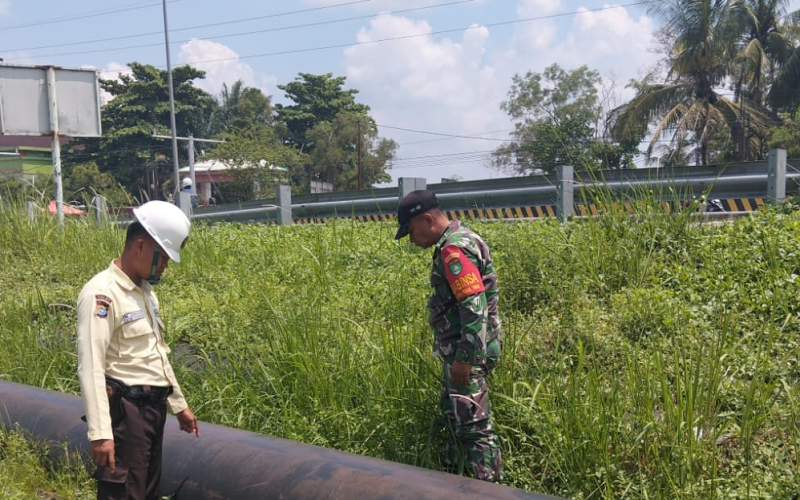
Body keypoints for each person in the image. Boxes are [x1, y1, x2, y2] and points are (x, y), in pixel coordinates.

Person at [77, 200, 200, 500]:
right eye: (163, 258)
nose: (165, 267)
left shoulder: (145, 294)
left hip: (152, 411)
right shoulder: (103, 294)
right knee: (124, 493)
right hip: (126, 414)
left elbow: (155, 353)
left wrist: (178, 405)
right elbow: (91, 366)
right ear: (141, 246)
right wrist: (101, 434)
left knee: (146, 492)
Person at [394, 190, 503, 482]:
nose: (412, 239)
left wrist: (465, 360)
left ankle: (488, 490)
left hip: (466, 352)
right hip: (467, 348)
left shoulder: (453, 251)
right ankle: (455, 483)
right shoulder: (464, 238)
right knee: (456, 417)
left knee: (474, 428)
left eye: (412, 231)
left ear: (427, 219)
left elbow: (474, 305)